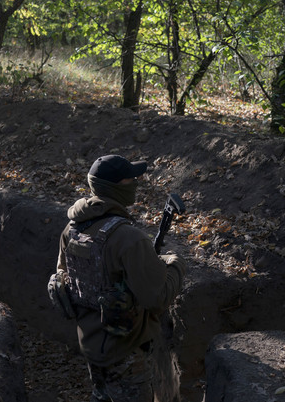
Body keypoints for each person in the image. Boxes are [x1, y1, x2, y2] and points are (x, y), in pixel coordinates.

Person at [54, 154, 187, 402]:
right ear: (117, 187)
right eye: (131, 178)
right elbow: (156, 299)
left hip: (91, 343)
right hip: (125, 351)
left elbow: (72, 278)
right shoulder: (128, 238)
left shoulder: (71, 229)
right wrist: (177, 265)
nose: (137, 181)